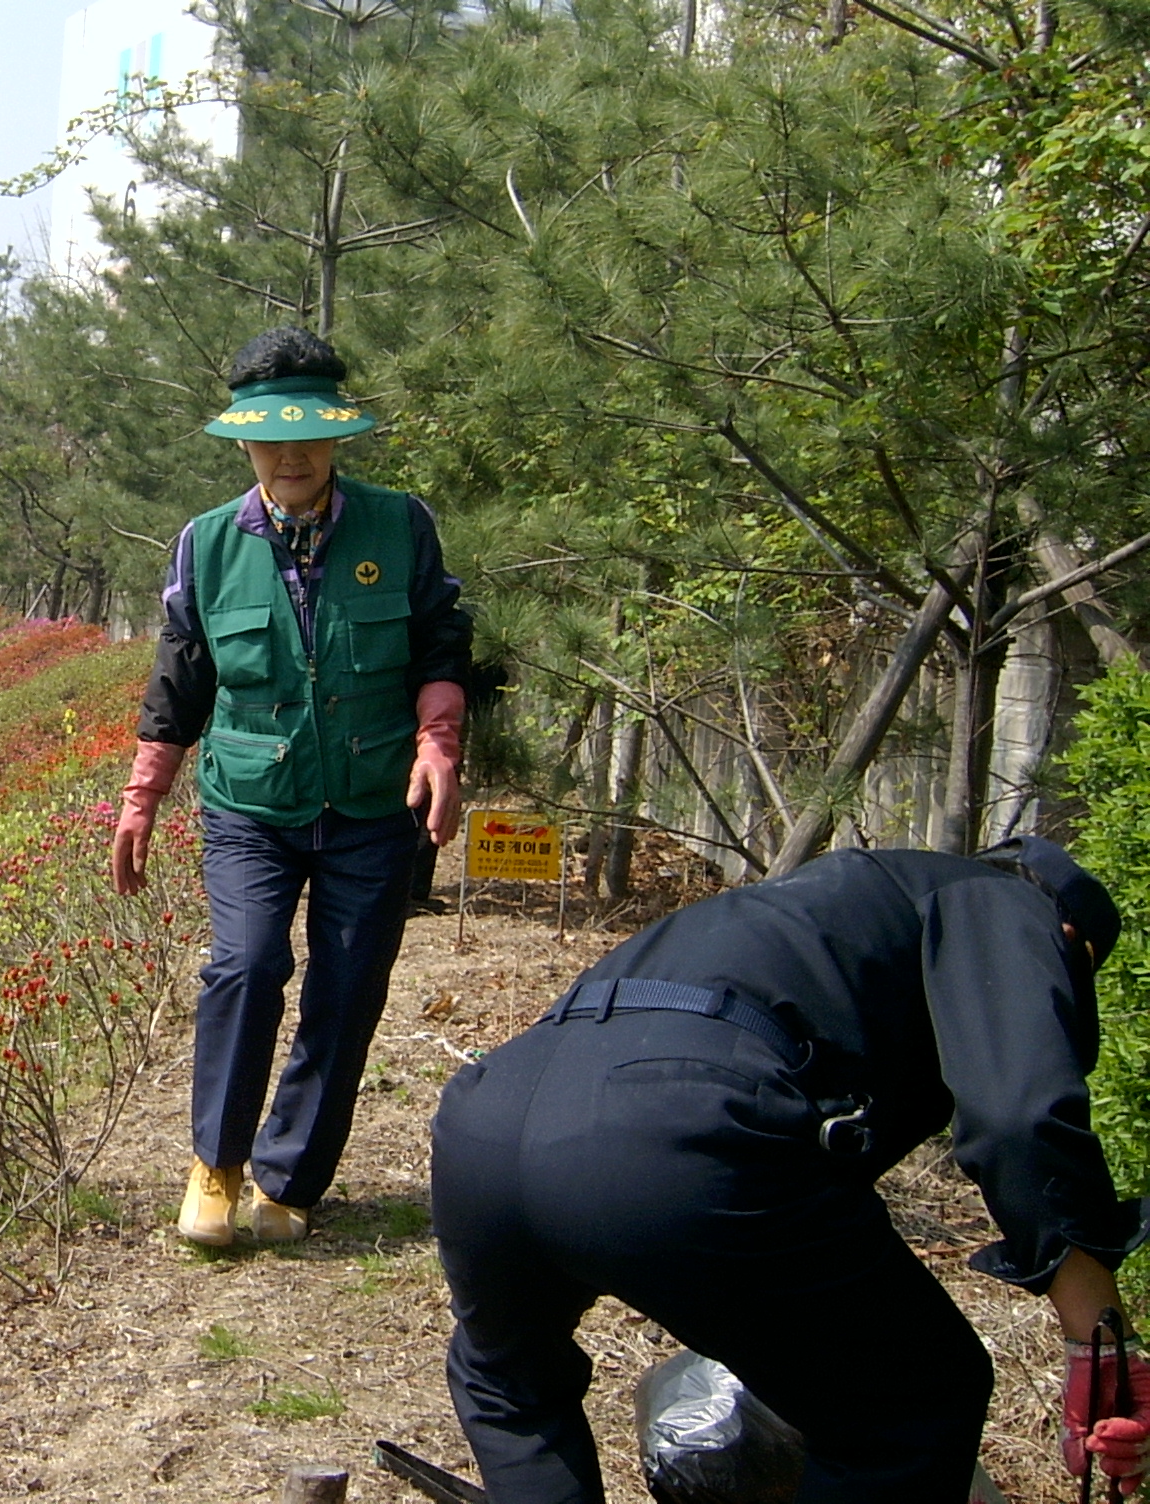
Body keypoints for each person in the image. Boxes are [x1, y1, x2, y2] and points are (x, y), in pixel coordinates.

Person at [430, 836, 1149, 1502]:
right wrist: (1098, 1343)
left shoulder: (818, 907)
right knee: (917, 1402)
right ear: (1070, 941)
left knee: (507, 1384)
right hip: (668, 1134)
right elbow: (1021, 1117)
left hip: (484, 1121)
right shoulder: (1004, 903)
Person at [112, 326, 473, 1247]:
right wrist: (142, 799)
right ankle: (217, 1165)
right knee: (245, 965)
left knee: (350, 989)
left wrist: (438, 745)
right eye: (271, 436)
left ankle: (288, 1178)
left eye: (310, 433)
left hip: (371, 804)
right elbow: (181, 677)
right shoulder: (207, 544)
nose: (292, 452)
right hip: (250, 805)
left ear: (337, 436)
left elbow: (439, 642)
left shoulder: (400, 526)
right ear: (245, 441)